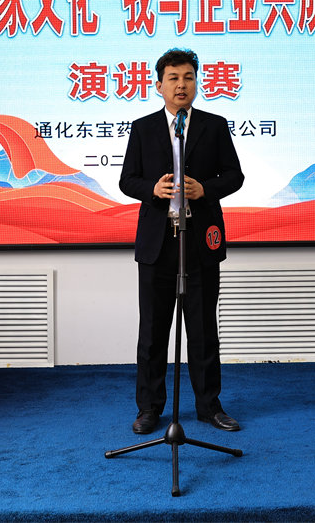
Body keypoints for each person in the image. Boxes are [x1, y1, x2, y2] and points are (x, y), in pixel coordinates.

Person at [119, 48, 245, 435]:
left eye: (188, 77)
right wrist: (152, 190)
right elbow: (127, 180)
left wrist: (205, 189)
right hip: (158, 243)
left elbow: (235, 176)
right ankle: (149, 409)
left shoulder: (214, 125)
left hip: (199, 242)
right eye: (173, 78)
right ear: (158, 86)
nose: (181, 85)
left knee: (204, 330)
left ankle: (209, 407)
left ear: (196, 83)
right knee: (153, 333)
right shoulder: (143, 128)